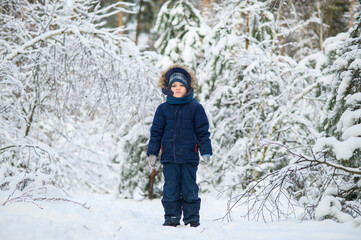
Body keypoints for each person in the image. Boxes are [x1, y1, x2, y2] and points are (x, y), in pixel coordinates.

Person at [147, 65, 212, 227]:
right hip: (169, 157)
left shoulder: (196, 108)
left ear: (188, 87)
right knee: (170, 189)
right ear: (168, 88)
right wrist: (152, 153)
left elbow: (203, 132)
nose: (177, 88)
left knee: (190, 188)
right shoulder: (162, 109)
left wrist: (206, 152)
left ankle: (192, 219)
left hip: (190, 156)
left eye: (181, 85)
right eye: (174, 86)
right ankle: (171, 217)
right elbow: (156, 133)